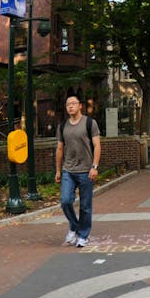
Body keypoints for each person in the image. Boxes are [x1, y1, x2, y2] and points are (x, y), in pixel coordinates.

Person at [56, 94, 102, 247]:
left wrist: (94, 167)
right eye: (68, 104)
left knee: (85, 206)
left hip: (86, 170)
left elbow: (97, 146)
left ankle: (83, 235)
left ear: (80, 106)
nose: (70, 106)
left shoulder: (90, 123)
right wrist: (58, 171)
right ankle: (74, 226)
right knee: (65, 201)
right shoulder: (62, 126)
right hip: (68, 170)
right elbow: (59, 149)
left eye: (73, 103)